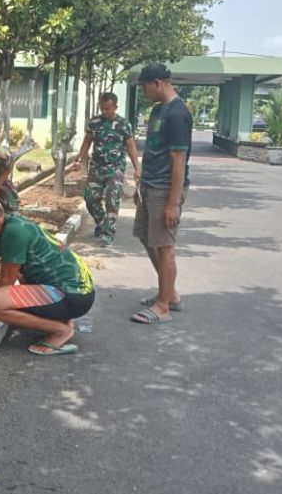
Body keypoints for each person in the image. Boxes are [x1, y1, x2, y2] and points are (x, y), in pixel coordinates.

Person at [0, 194, 95, 356]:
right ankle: (60, 318)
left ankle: (61, 330)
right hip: (73, 292)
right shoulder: (4, 229)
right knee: (19, 279)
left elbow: (6, 281)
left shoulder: (13, 232)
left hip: (74, 295)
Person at [130, 63, 192, 324]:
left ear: (157, 83)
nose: (143, 91)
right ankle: (169, 293)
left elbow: (178, 161)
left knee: (165, 246)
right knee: (146, 237)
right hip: (149, 186)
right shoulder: (158, 110)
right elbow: (153, 152)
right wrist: (141, 183)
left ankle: (163, 306)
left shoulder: (178, 114)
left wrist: (173, 204)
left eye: (144, 86)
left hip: (165, 189)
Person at [72, 92, 141, 247]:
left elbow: (131, 147)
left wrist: (137, 169)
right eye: (102, 108)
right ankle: (102, 222)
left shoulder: (124, 124)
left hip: (115, 168)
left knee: (112, 198)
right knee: (90, 198)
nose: (104, 112)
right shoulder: (94, 122)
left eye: (108, 109)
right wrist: (78, 160)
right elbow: (86, 143)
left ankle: (108, 234)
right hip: (97, 167)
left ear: (115, 107)